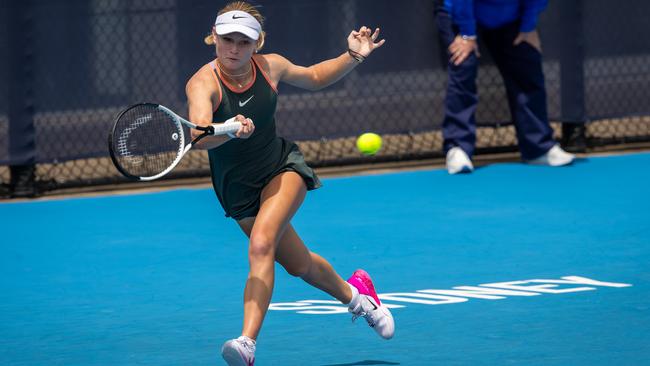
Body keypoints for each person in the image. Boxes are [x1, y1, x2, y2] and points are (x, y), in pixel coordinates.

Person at [184, 2, 393, 365]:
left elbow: (313, 76)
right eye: (227, 40)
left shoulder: (270, 66)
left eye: (243, 42)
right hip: (237, 190)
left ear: (257, 43)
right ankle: (359, 297)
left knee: (262, 243)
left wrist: (353, 57)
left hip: (281, 168)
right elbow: (200, 136)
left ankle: (246, 344)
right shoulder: (203, 83)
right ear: (213, 38)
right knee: (300, 265)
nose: (234, 49)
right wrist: (230, 130)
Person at [434, 0, 575, 174]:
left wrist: (527, 27)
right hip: (459, 11)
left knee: (526, 64)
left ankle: (538, 148)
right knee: (463, 64)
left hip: (510, 16)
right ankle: (457, 148)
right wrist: (467, 34)